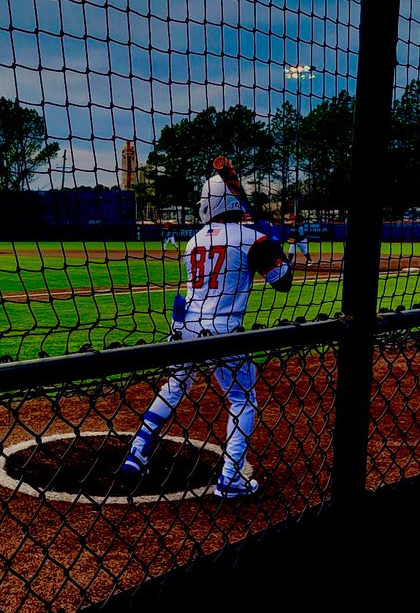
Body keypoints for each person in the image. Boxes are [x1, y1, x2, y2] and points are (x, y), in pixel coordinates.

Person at [121, 173, 293, 499]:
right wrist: (272, 246)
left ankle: (138, 450)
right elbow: (282, 281)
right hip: (224, 331)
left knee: (175, 386)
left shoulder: (193, 241)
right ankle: (230, 478)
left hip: (186, 326)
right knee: (243, 399)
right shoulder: (251, 238)